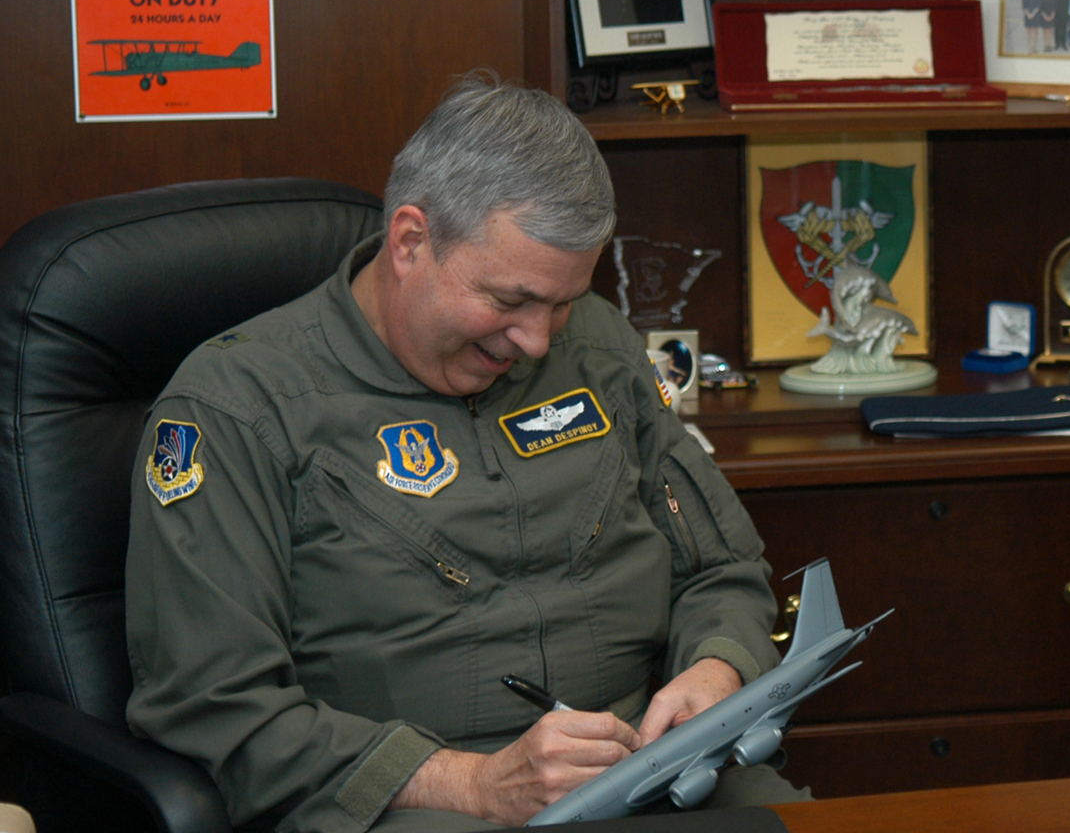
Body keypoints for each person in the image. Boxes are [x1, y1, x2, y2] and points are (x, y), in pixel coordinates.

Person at [125, 76, 805, 832]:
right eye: (511, 301)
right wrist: (474, 784)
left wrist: (717, 668)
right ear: (411, 241)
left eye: (562, 302)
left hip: (645, 780)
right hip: (404, 806)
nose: (539, 340)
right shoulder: (235, 408)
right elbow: (215, 707)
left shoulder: (602, 350)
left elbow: (721, 568)